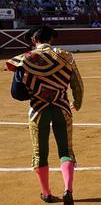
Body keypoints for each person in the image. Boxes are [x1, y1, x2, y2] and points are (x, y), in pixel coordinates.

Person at [6, 26, 84, 204]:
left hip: (38, 110)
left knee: (40, 153)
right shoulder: (66, 56)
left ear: (34, 41)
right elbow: (78, 85)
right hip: (62, 108)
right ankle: (68, 189)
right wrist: (76, 103)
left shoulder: (25, 59)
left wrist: (34, 92)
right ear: (51, 39)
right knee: (66, 150)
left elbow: (16, 92)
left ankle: (47, 193)